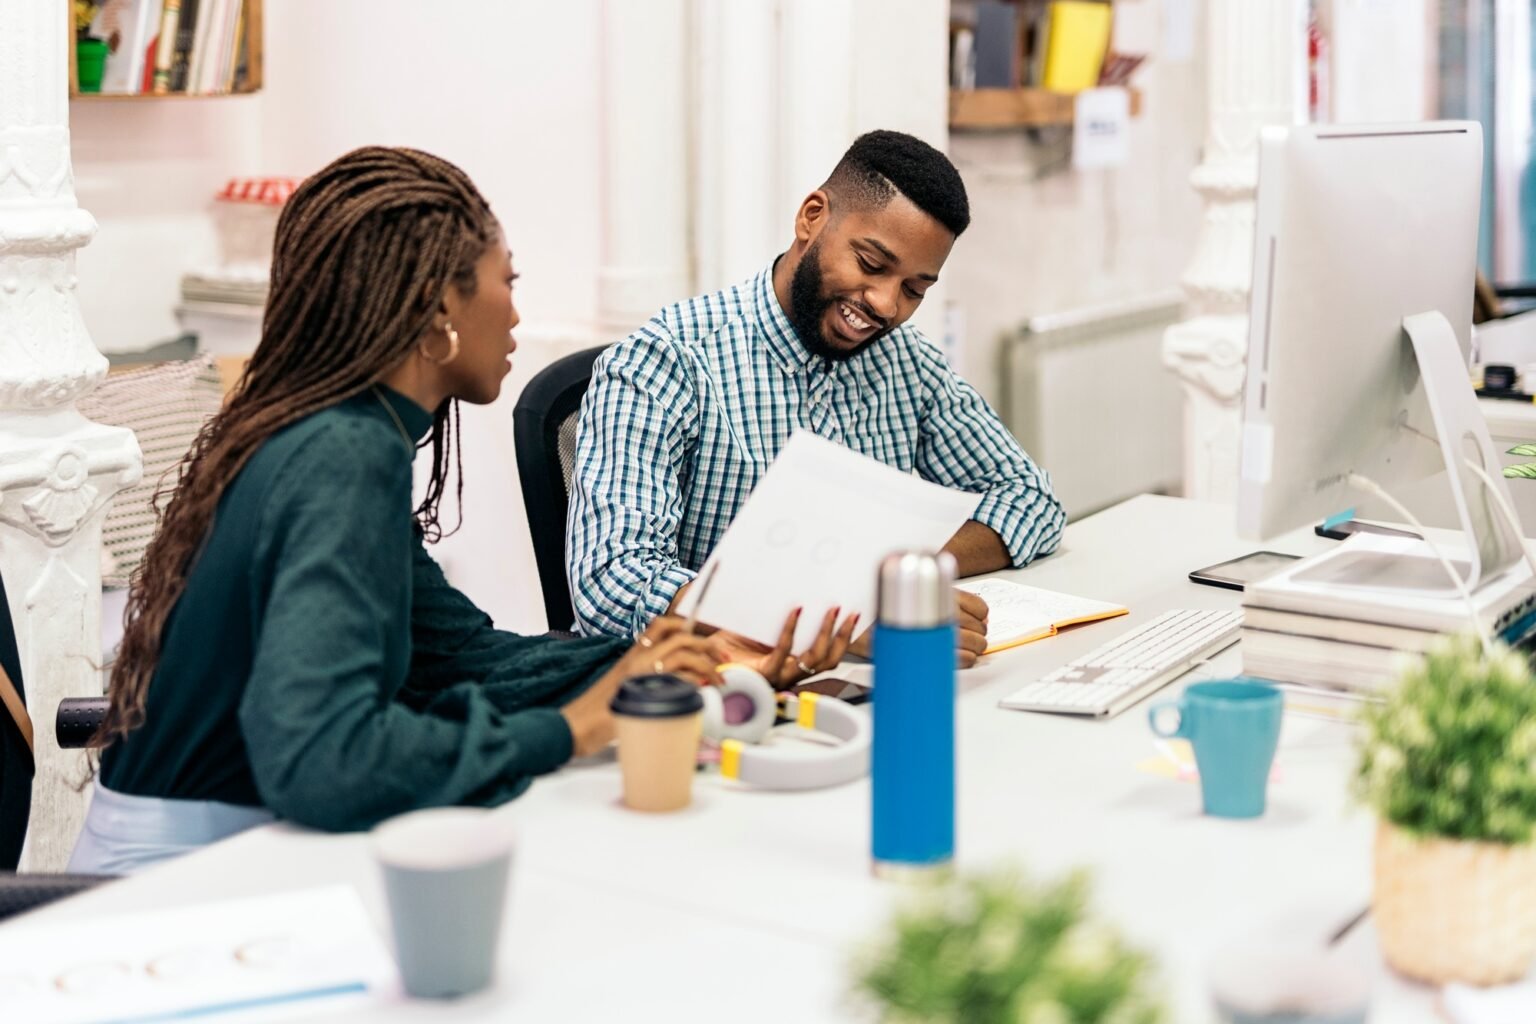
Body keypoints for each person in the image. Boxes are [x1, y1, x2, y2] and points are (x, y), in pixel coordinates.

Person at [70, 147, 834, 875]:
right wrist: (567, 730)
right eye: (508, 281)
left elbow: (463, 655)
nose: (514, 315)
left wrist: (664, 660)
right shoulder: (343, 455)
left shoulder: (342, 433)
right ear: (441, 306)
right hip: (188, 884)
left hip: (236, 845)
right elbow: (321, 762)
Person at [567, 130, 1065, 668]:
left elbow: (1028, 499)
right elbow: (614, 579)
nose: (885, 305)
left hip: (859, 688)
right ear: (811, 217)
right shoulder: (667, 361)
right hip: (709, 697)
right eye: (872, 265)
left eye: (914, 290)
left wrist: (896, 584)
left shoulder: (909, 362)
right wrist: (838, 617)